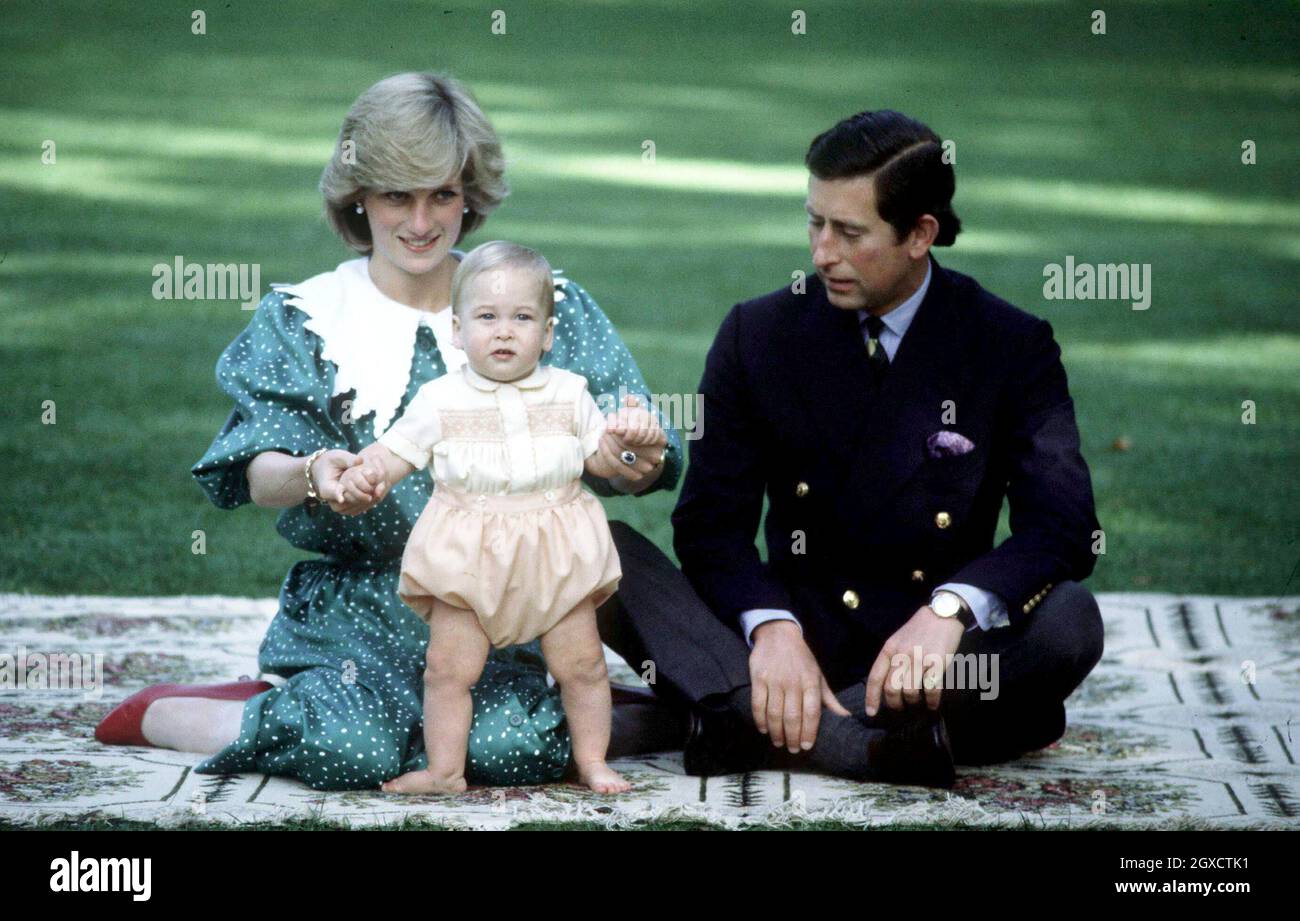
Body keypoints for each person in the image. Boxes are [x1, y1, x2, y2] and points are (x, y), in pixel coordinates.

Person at [93, 72, 685, 790]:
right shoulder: (305, 317)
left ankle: (575, 707)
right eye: (396, 195)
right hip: (359, 606)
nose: (421, 220)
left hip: (505, 604)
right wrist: (315, 472)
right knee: (352, 751)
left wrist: (636, 456)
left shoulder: (534, 303)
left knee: (506, 752)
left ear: (470, 195)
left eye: (442, 193)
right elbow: (255, 470)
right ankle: (213, 709)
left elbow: (632, 460)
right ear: (359, 197)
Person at [630, 109, 1107, 786]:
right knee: (608, 550)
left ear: (921, 234)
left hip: (928, 664)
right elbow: (709, 525)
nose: (823, 252)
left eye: (850, 232)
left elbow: (1065, 528)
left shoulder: (1008, 343)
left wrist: (951, 609)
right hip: (784, 648)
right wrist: (772, 629)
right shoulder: (757, 333)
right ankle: (866, 744)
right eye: (814, 222)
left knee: (1070, 622)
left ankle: (737, 723)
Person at [337, 241, 662, 794]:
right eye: (487, 317)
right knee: (447, 669)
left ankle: (593, 761)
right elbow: (395, 453)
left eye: (522, 317)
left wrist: (630, 445)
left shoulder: (570, 392)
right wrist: (366, 474)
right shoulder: (439, 399)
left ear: (549, 332)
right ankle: (445, 771)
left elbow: (603, 460)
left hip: (557, 549)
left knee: (581, 666)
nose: (505, 331)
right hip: (468, 554)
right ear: (458, 332)